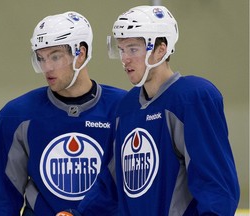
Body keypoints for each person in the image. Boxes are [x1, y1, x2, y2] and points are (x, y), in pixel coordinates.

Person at [58, 5, 240, 216]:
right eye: (121, 49)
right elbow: (111, 183)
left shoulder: (191, 97)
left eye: (133, 49)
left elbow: (215, 184)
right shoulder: (126, 107)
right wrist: (79, 214)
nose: (124, 58)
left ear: (160, 49)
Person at [0, 11, 126, 216]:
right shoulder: (16, 115)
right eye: (41, 58)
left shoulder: (123, 108)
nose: (47, 68)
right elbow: (3, 200)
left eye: (55, 56)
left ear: (81, 53)